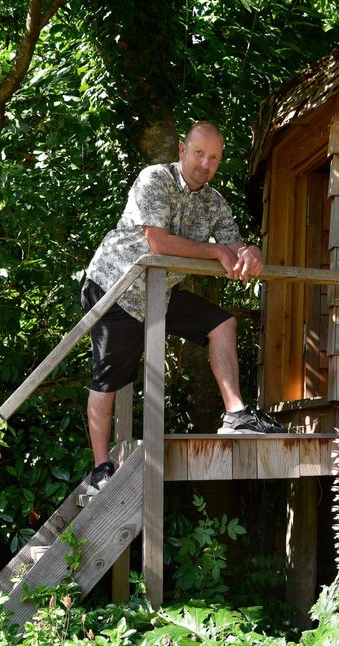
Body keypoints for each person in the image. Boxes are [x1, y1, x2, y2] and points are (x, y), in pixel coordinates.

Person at [80, 120, 284, 494]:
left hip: (160, 292)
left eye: (214, 159)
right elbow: (158, 243)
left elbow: (235, 246)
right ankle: (100, 468)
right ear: (181, 150)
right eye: (199, 154)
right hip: (116, 287)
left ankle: (237, 414)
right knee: (109, 378)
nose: (205, 165)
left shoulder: (214, 202)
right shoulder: (154, 179)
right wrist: (216, 251)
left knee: (222, 322)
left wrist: (252, 253)